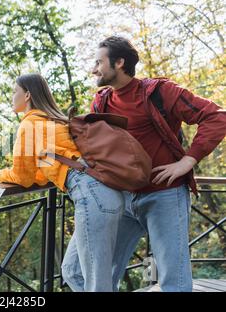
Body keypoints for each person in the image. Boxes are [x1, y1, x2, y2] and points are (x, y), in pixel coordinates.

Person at [90, 36, 226, 291]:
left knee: (173, 281)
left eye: (98, 62)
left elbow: (217, 117)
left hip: (165, 195)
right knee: (98, 276)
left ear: (119, 62)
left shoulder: (159, 93)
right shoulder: (101, 102)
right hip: (121, 199)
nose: (93, 69)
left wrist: (188, 161)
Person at [0, 73, 125, 291]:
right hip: (104, 192)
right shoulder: (53, 121)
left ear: (27, 95)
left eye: (14, 92)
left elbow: (22, 177)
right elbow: (42, 173)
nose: (11, 97)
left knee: (97, 284)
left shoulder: (30, 124)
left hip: (91, 194)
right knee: (72, 271)